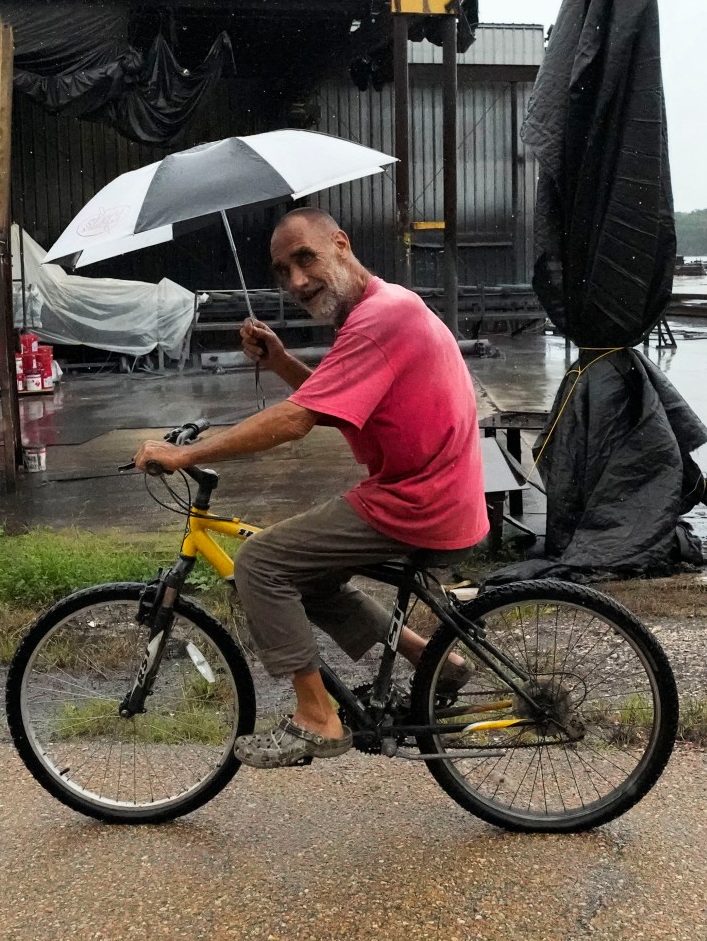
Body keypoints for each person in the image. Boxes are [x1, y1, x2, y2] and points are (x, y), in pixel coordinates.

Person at [135, 206, 485, 769]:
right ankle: (437, 662)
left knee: (261, 563)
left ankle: (317, 718)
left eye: (306, 258)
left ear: (341, 245)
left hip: (418, 501)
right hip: (435, 493)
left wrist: (184, 454)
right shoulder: (386, 307)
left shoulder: (377, 320)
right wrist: (279, 360)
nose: (296, 281)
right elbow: (328, 400)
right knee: (312, 582)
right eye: (283, 270)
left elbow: (296, 420)